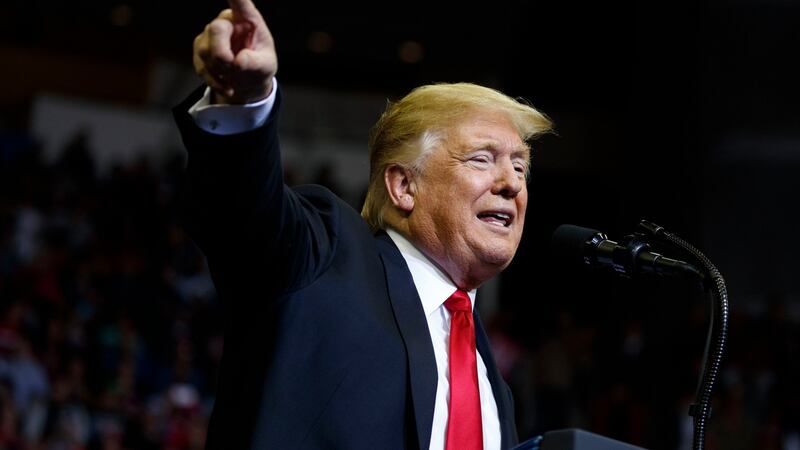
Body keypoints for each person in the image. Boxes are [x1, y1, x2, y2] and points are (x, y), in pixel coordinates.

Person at [172, 0, 552, 448]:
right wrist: (243, 104)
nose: (510, 182)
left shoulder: (495, 389)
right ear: (403, 186)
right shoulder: (326, 255)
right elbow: (244, 213)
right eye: (482, 159)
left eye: (521, 167)